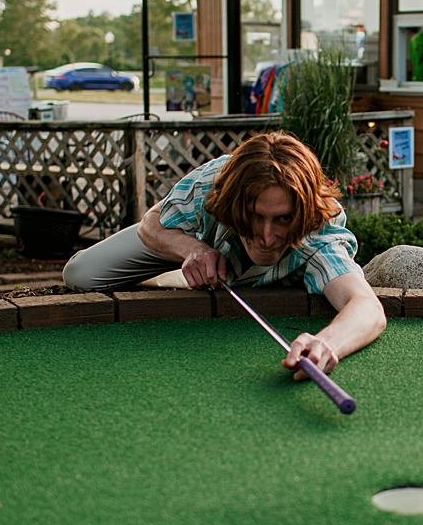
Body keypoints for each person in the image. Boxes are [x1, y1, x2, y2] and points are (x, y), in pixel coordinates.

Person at [63, 132, 386, 378]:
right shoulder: (212, 184)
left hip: (252, 267)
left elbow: (366, 306)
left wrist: (328, 343)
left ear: (302, 215)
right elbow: (151, 223)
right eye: (255, 217)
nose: (267, 236)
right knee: (82, 273)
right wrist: (193, 249)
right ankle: (177, 271)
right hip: (191, 243)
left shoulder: (319, 227)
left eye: (283, 219)